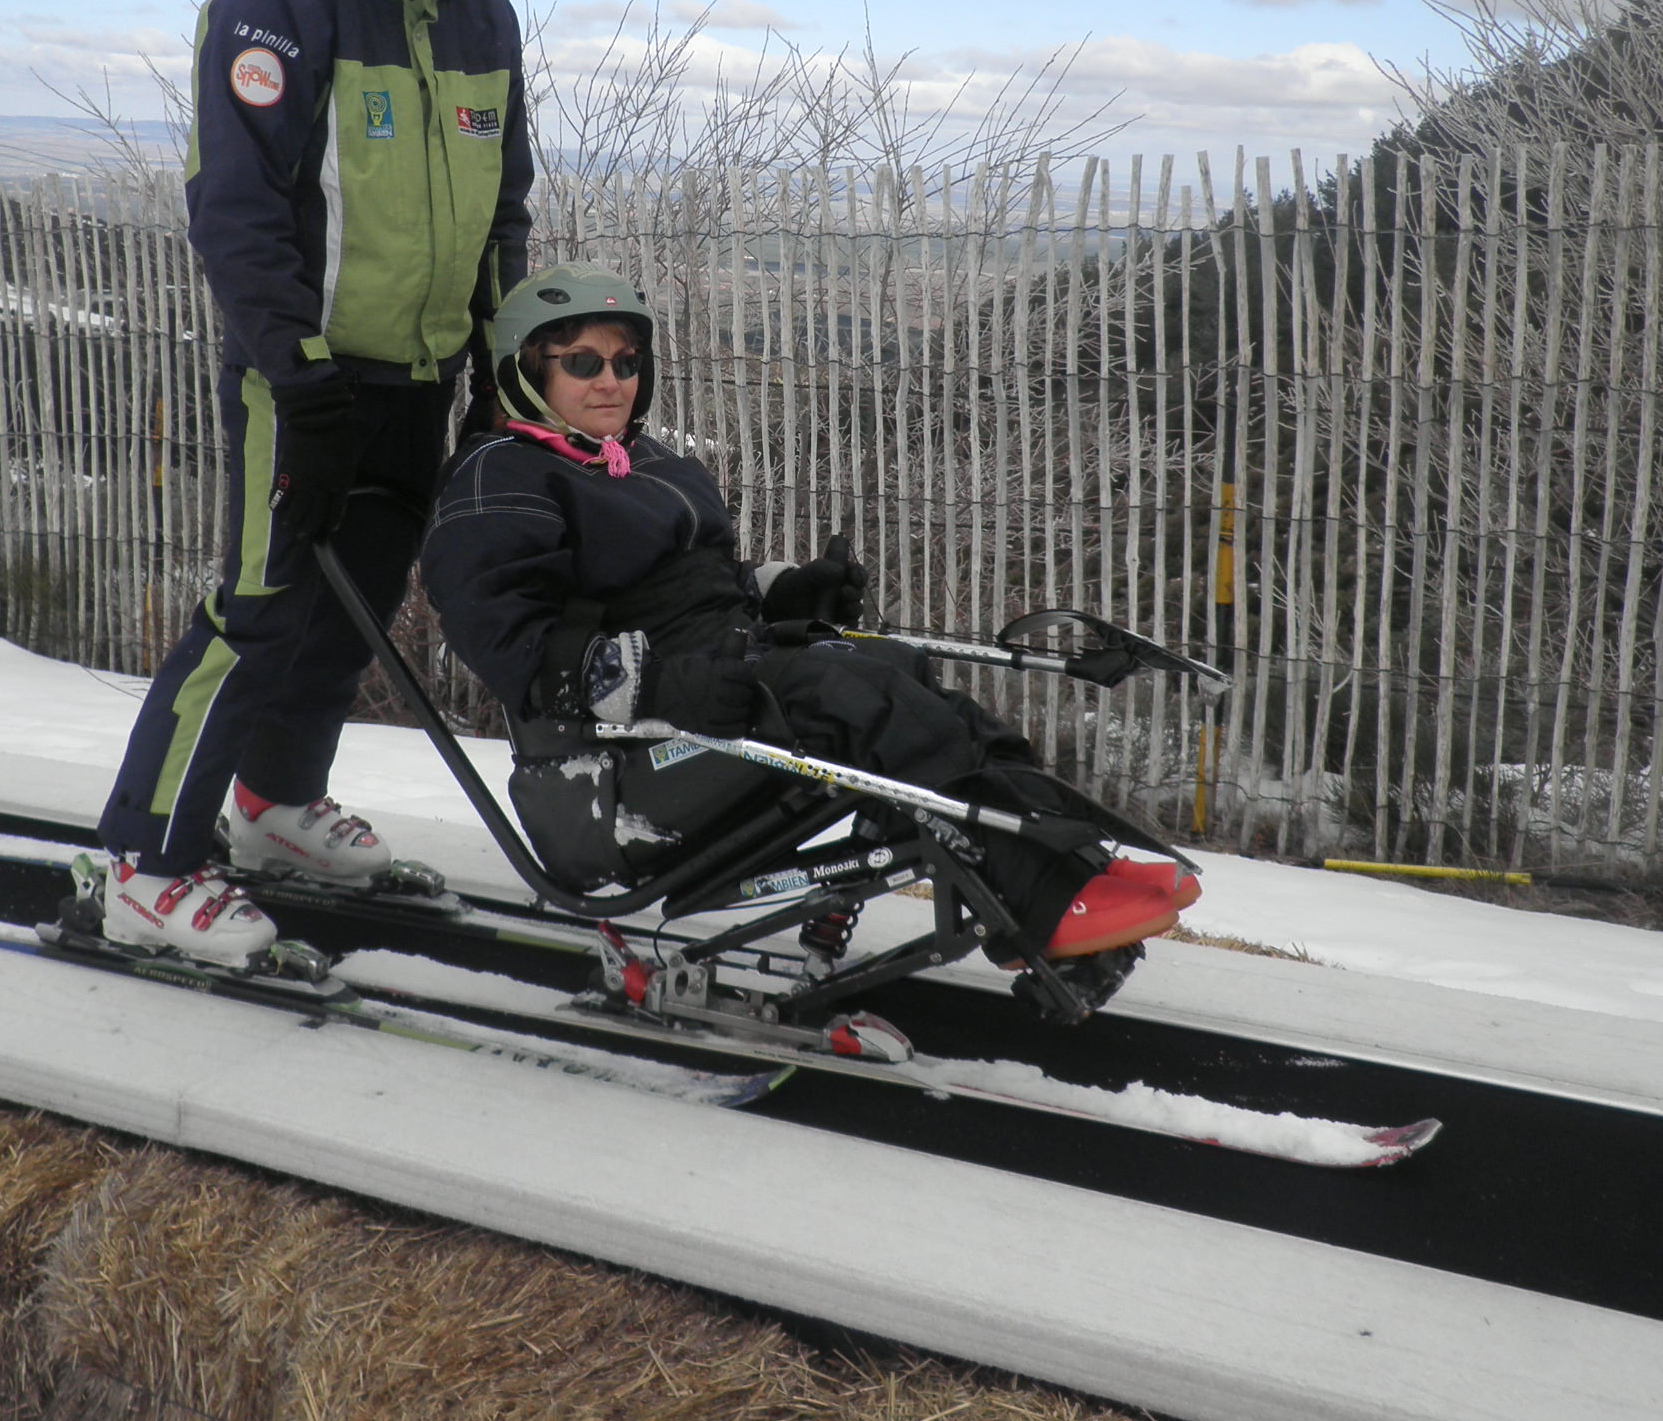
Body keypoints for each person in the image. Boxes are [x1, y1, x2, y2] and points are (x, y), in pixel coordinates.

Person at [418, 263, 1201, 980]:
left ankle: (1065, 859)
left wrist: (787, 592)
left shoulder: (643, 463)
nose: (611, 382)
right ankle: (1045, 895)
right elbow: (509, 642)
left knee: (894, 667)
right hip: (612, 772)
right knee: (851, 694)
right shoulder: (502, 477)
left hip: (711, 685)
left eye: (626, 363)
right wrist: (663, 687)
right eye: (583, 363)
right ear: (525, 371)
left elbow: (702, 586)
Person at [95, 0, 533, 964]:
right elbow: (235, 209)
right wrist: (296, 369)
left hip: (422, 377)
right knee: (256, 607)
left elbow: (503, 211)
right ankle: (144, 863)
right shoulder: (280, 0)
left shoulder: (481, 11)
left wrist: (499, 376)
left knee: (354, 609)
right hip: (301, 380)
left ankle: (274, 805)